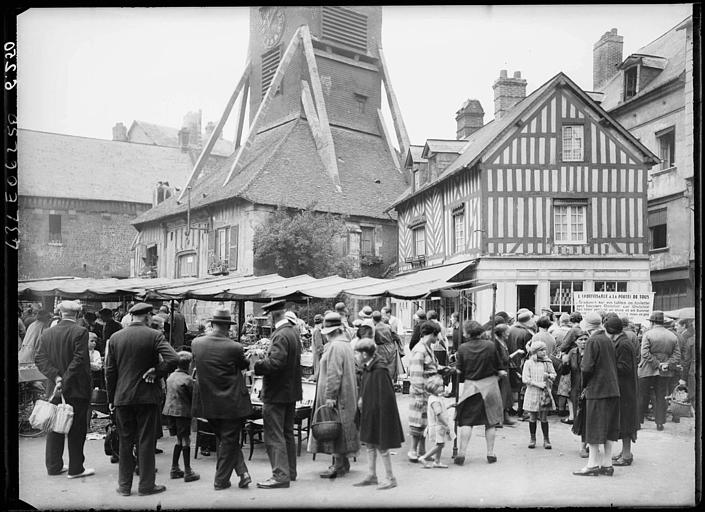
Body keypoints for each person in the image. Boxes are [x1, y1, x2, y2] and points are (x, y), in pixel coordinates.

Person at [105, 302, 179, 496]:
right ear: (147, 317)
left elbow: (109, 372)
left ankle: (124, 486)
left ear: (131, 317)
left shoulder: (115, 338)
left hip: (122, 397)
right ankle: (146, 485)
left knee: (125, 440)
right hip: (147, 396)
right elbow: (174, 359)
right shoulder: (154, 335)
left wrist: (111, 397)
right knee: (146, 441)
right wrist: (157, 371)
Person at [191, 308, 252, 490]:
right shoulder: (235, 347)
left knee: (227, 440)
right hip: (231, 403)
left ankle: (243, 473)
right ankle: (221, 481)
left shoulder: (196, 343)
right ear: (228, 327)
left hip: (208, 403)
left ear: (212, 324)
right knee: (229, 441)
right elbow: (244, 365)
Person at [34, 300, 94, 479]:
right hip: (76, 388)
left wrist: (56, 377)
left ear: (60, 313)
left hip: (55, 388)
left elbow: (40, 359)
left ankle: (54, 466)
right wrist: (65, 379)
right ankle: (76, 468)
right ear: (77, 314)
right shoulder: (81, 332)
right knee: (76, 428)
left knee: (55, 426)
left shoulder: (47, 333)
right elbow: (79, 359)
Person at [253, 299, 302, 489]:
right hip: (290, 392)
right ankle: (290, 471)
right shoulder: (292, 332)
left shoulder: (280, 335)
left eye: (268, 316)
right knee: (287, 432)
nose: (268, 320)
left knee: (274, 434)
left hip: (276, 393)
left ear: (273, 315)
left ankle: (280, 476)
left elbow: (276, 363)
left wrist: (257, 363)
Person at [309, 311, 360, 478]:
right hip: (346, 392)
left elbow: (333, 373)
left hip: (337, 395)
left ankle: (337, 464)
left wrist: (330, 395)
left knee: (335, 426)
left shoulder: (336, 346)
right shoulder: (345, 344)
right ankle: (342, 462)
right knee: (343, 426)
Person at [353, 337, 404, 490]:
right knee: (369, 443)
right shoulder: (369, 366)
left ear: (364, 354)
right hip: (370, 411)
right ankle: (371, 475)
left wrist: (382, 415)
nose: (355, 357)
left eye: (357, 354)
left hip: (379, 413)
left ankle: (390, 477)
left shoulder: (380, 369)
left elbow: (386, 396)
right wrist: (362, 399)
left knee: (382, 445)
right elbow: (367, 387)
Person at [572, 312, 620, 477]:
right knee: (609, 428)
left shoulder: (593, 340)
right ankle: (607, 464)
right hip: (612, 390)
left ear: (588, 325)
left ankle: (592, 465)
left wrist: (584, 385)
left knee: (593, 428)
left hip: (597, 390)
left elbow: (586, 368)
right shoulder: (608, 339)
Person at [454, 320, 505, 465]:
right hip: (490, 386)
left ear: (467, 333)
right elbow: (499, 367)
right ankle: (490, 452)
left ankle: (462, 452)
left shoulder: (462, 348)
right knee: (490, 422)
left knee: (466, 421)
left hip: (471, 388)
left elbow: (459, 370)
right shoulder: (490, 346)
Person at [605, 315, 639, 467]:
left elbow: (624, 368)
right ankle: (625, 452)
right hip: (626, 388)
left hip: (625, 390)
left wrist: (608, 365)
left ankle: (626, 455)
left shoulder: (623, 344)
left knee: (626, 421)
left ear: (611, 330)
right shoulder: (623, 341)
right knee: (624, 420)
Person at [637, 310, 681, 431]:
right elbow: (677, 356)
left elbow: (644, 353)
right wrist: (666, 364)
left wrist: (657, 364)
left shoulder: (648, 334)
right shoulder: (672, 336)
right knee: (661, 396)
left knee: (642, 395)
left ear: (652, 322)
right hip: (665, 371)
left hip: (647, 369)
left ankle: (638, 422)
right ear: (662, 322)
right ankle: (660, 423)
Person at [162, 351, 200, 484]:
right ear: (189, 365)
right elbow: (193, 397)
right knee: (186, 440)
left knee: (178, 439)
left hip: (170, 412)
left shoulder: (171, 376)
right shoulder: (188, 379)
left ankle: (174, 468)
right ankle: (188, 471)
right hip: (182, 412)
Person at [407, 320, 440, 462]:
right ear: (431, 334)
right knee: (417, 422)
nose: (437, 338)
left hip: (428, 391)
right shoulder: (420, 350)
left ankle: (422, 450)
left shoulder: (427, 348)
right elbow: (415, 374)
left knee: (425, 422)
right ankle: (412, 451)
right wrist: (419, 395)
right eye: (436, 335)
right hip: (420, 392)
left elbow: (431, 367)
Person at [521, 340, 556, 449]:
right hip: (532, 392)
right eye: (541, 350)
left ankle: (546, 439)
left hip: (544, 393)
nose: (544, 352)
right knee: (532, 416)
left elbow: (554, 374)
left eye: (544, 349)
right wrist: (537, 384)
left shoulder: (547, 362)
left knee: (544, 417)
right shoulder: (529, 363)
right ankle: (533, 438)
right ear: (535, 351)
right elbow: (525, 379)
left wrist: (549, 376)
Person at [419, 375, 455, 468]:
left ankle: (437, 461)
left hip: (437, 425)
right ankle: (424, 457)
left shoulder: (433, 398)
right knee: (440, 445)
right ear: (433, 388)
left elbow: (440, 410)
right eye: (439, 386)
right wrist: (446, 425)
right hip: (438, 426)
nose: (442, 387)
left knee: (440, 443)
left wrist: (450, 406)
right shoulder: (435, 401)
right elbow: (438, 414)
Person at [492, 323, 517, 426]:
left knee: (506, 395)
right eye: (507, 332)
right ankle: (497, 418)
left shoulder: (503, 341)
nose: (508, 334)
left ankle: (504, 416)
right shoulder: (496, 343)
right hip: (500, 371)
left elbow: (506, 357)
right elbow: (496, 359)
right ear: (502, 333)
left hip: (505, 370)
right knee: (500, 395)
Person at [372, 310, 400, 382]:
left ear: (373, 319)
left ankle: (383, 382)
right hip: (391, 347)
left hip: (380, 348)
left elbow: (372, 340)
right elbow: (396, 337)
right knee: (391, 366)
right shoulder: (388, 327)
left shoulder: (375, 329)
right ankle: (390, 382)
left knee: (382, 365)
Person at [310, 314, 325, 381]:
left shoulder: (315, 329)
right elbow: (319, 346)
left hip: (316, 353)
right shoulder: (317, 331)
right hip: (319, 355)